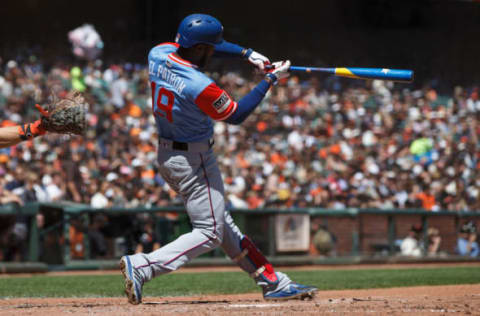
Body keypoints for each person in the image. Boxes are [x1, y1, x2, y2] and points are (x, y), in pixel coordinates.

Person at [120, 13, 317, 304]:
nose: (214, 52)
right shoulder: (199, 84)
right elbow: (236, 114)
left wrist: (247, 54)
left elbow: (199, 45)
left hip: (168, 153)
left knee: (220, 223)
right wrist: (270, 80)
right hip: (193, 159)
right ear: (200, 49)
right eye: (211, 48)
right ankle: (144, 266)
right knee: (210, 232)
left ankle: (272, 281)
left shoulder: (158, 54)